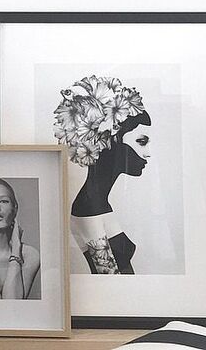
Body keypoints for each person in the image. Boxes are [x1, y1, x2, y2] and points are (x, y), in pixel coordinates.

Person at [54, 75, 152, 274]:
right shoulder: (88, 208)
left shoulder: (97, 203)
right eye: (141, 142)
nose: (148, 153)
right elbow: (109, 276)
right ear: (111, 142)